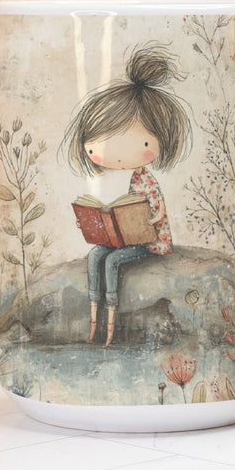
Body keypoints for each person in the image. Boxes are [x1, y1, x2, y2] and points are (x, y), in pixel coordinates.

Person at [62, 43, 191, 346]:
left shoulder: (146, 181)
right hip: (128, 240)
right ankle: (94, 311)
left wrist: (135, 222)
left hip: (150, 245)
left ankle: (111, 318)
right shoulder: (129, 179)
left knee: (112, 261)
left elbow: (155, 215)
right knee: (96, 254)